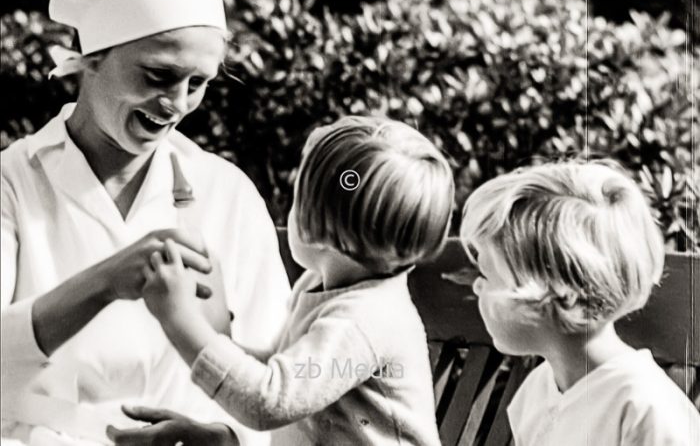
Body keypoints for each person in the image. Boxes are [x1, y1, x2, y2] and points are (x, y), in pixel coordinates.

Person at [1, 0, 291, 446]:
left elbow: (277, 381)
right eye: (159, 75)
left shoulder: (227, 194)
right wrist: (106, 280)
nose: (177, 104)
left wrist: (222, 438)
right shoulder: (12, 183)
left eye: (198, 83)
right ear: (92, 57)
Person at [138, 116, 454, 445]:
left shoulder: (363, 320)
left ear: (312, 225)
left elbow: (270, 402)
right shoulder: (320, 287)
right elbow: (288, 377)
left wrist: (177, 318)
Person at [459, 159, 700, 446]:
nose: (477, 286)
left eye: (488, 275)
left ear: (564, 294)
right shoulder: (538, 391)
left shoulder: (645, 409)